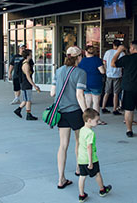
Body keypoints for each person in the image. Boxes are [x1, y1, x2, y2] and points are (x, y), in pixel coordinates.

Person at [52, 46, 87, 190]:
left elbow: (52, 93)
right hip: (75, 111)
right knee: (79, 141)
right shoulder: (80, 73)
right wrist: (86, 112)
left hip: (61, 111)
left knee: (63, 145)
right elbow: (79, 95)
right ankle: (79, 168)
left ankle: (61, 178)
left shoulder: (58, 71)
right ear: (78, 57)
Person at [77, 108, 112, 202]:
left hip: (81, 159)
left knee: (82, 176)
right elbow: (89, 147)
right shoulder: (90, 133)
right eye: (96, 121)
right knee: (97, 174)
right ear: (89, 120)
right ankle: (102, 189)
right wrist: (90, 162)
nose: (97, 122)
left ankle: (81, 195)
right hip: (91, 159)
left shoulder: (82, 130)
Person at [79, 46, 107, 125]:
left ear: (86, 52)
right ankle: (97, 120)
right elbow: (102, 71)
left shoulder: (83, 60)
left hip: (85, 82)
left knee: (88, 101)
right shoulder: (97, 60)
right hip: (96, 82)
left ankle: (87, 118)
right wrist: (104, 66)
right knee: (96, 102)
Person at [14, 49, 40, 120]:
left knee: (25, 100)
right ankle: (28, 114)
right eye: (31, 54)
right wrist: (34, 85)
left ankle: (18, 110)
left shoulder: (25, 63)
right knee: (28, 100)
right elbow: (28, 77)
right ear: (28, 55)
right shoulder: (26, 65)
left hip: (24, 83)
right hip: (26, 84)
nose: (32, 55)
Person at [101, 40, 123, 115]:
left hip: (109, 74)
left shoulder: (108, 52)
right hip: (117, 74)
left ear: (113, 44)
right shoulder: (122, 53)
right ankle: (114, 109)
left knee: (106, 92)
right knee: (116, 93)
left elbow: (104, 63)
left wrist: (106, 70)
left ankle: (103, 107)